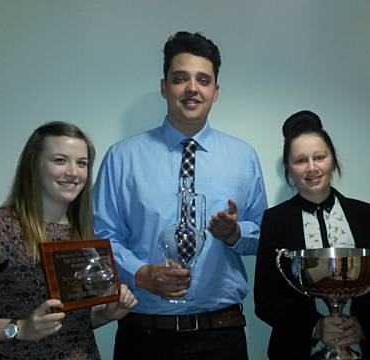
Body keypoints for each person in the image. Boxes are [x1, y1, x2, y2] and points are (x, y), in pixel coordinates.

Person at [93, 31, 267, 360]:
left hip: (221, 336)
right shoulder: (122, 157)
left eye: (203, 80)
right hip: (144, 334)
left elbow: (264, 234)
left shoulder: (244, 157)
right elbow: (101, 237)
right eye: (180, 78)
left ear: (215, 92)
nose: (191, 88)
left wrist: (236, 234)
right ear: (164, 87)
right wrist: (141, 274)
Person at [0, 121, 138, 360]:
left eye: (81, 163)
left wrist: (107, 314)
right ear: (33, 165)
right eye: (60, 160)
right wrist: (20, 329)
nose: (73, 172)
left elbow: (71, 323)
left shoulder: (85, 233)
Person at [254, 110, 370, 360]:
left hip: (361, 351)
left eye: (319, 157)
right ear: (288, 167)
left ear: (332, 159)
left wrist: (362, 325)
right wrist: (315, 327)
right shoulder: (275, 221)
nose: (311, 168)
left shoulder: (364, 214)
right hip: (296, 352)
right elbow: (266, 298)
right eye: (300, 161)